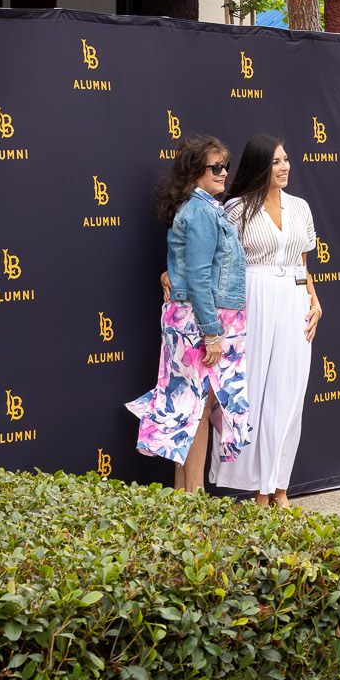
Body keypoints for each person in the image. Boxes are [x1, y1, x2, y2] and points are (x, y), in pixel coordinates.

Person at [127, 135, 249, 492]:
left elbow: (188, 270)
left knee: (189, 410)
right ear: (195, 172)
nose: (223, 172)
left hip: (196, 318)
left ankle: (184, 499)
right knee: (195, 411)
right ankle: (194, 500)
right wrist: (211, 333)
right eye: (215, 167)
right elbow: (198, 276)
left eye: (226, 166)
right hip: (201, 322)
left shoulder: (204, 209)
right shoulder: (200, 212)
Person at [214, 134, 322, 507]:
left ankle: (280, 487)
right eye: (276, 161)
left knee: (288, 394)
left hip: (294, 301)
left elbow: (303, 265)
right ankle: (259, 490)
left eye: (286, 159)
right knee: (254, 391)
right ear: (261, 165)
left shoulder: (301, 207)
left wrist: (315, 301)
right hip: (253, 301)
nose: (285, 166)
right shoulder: (236, 209)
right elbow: (220, 262)